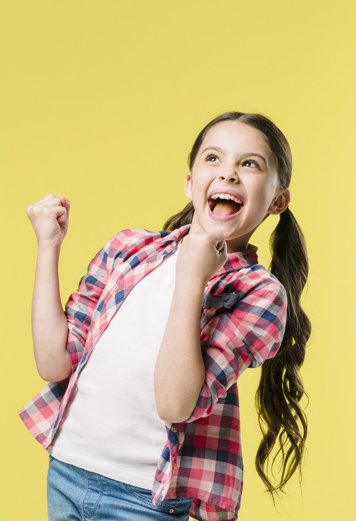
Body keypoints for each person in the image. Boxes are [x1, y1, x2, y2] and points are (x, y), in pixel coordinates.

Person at [19, 112, 311, 521]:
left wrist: (192, 277)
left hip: (144, 499)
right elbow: (54, 363)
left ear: (278, 200)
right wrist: (49, 247)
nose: (228, 174)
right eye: (213, 158)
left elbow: (174, 404)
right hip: (67, 469)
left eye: (249, 164)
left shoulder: (259, 295)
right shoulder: (127, 249)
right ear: (190, 182)